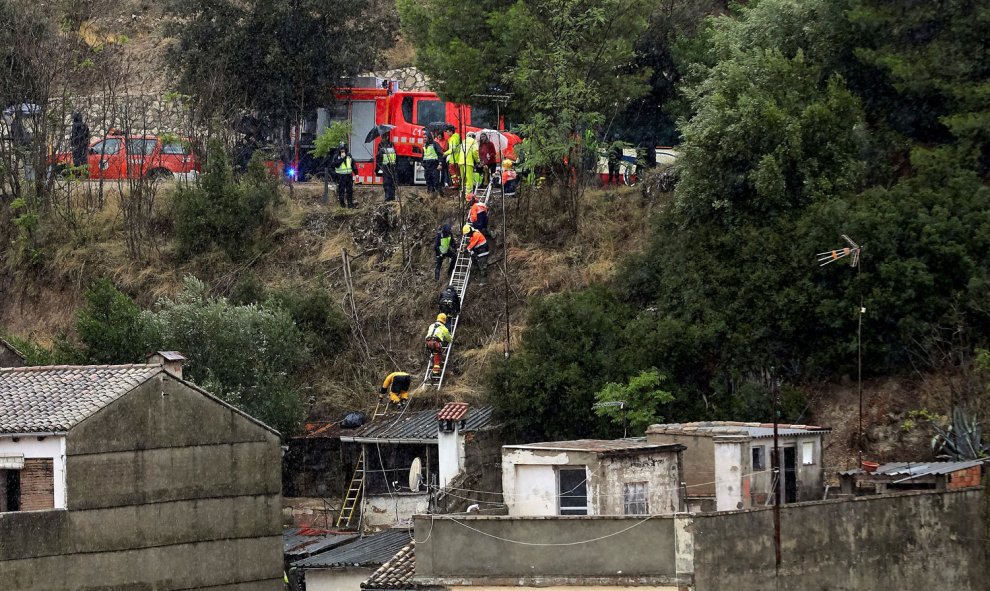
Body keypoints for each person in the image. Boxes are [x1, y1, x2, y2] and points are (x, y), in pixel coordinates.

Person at [331, 142, 359, 208]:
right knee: (341, 191)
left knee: (350, 191)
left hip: (349, 176)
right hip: (341, 176)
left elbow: (353, 164)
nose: (342, 150)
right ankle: (342, 205)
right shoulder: (336, 156)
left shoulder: (349, 155)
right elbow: (335, 165)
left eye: (343, 149)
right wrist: (341, 158)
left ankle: (350, 205)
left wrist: (356, 173)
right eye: (341, 149)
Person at [376, 134, 398, 202]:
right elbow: (396, 157)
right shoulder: (392, 146)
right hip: (393, 168)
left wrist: (378, 169)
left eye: (383, 138)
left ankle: (388, 198)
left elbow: (379, 159)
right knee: (392, 184)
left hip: (386, 168)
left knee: (387, 184)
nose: (382, 139)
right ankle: (392, 198)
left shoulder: (381, 147)